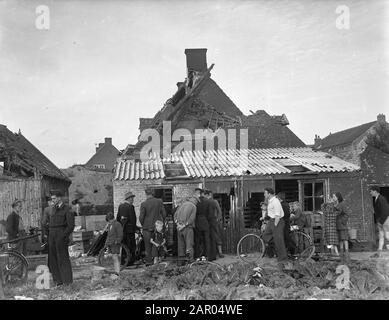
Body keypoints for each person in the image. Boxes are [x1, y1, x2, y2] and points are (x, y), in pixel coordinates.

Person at [48, 190, 75, 286]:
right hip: (52, 237)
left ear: (59, 198)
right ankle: (58, 282)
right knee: (53, 260)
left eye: (54, 198)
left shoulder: (67, 209)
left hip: (61, 236)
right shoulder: (53, 209)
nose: (53, 200)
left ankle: (67, 281)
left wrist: (63, 236)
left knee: (63, 259)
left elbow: (71, 226)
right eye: (52, 199)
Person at [139, 189, 166, 265]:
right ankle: (158, 262)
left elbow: (141, 217)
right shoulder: (159, 202)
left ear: (146, 194)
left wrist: (144, 225)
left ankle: (149, 262)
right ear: (153, 193)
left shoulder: (144, 204)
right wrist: (162, 223)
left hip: (147, 228)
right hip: (157, 228)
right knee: (158, 244)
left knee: (148, 246)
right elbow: (164, 214)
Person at [261, 188, 288, 263]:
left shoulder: (275, 201)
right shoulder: (270, 201)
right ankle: (274, 245)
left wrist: (275, 225)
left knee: (279, 240)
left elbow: (277, 214)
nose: (264, 194)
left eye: (265, 193)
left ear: (269, 193)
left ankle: (283, 259)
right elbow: (270, 213)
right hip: (271, 220)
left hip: (277, 221)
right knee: (265, 235)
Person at [174, 197, 197, 264]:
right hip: (188, 228)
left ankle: (181, 262)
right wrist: (184, 225)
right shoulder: (193, 206)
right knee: (189, 245)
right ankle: (190, 262)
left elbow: (175, 216)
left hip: (179, 228)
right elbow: (191, 219)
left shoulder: (181, 205)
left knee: (181, 246)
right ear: (194, 201)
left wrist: (178, 224)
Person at [117, 191, 137, 265]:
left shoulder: (120, 206)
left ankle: (123, 261)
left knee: (124, 246)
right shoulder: (130, 207)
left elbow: (118, 218)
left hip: (123, 230)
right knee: (131, 246)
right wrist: (135, 229)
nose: (133, 200)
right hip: (130, 230)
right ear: (129, 199)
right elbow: (132, 220)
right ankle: (130, 262)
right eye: (132, 198)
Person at [370, 186, 389, 258]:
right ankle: (379, 252)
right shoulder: (377, 199)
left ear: (375, 191)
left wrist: (380, 221)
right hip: (381, 221)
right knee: (381, 236)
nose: (370, 192)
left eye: (371, 191)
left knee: (387, 236)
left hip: (385, 220)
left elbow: (386, 211)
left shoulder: (381, 199)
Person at [204, 190, 224, 258]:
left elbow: (219, 211)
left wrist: (218, 219)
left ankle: (219, 252)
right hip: (211, 221)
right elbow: (219, 211)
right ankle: (217, 252)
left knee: (215, 236)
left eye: (205, 195)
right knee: (214, 236)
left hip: (212, 221)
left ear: (208, 194)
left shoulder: (212, 201)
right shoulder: (210, 201)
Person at [333, 192, 350, 262]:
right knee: (340, 239)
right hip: (338, 225)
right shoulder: (337, 204)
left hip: (342, 225)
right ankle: (341, 254)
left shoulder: (342, 204)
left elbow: (346, 214)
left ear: (337, 197)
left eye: (334, 197)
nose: (333, 198)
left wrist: (343, 222)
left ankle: (346, 254)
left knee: (345, 239)